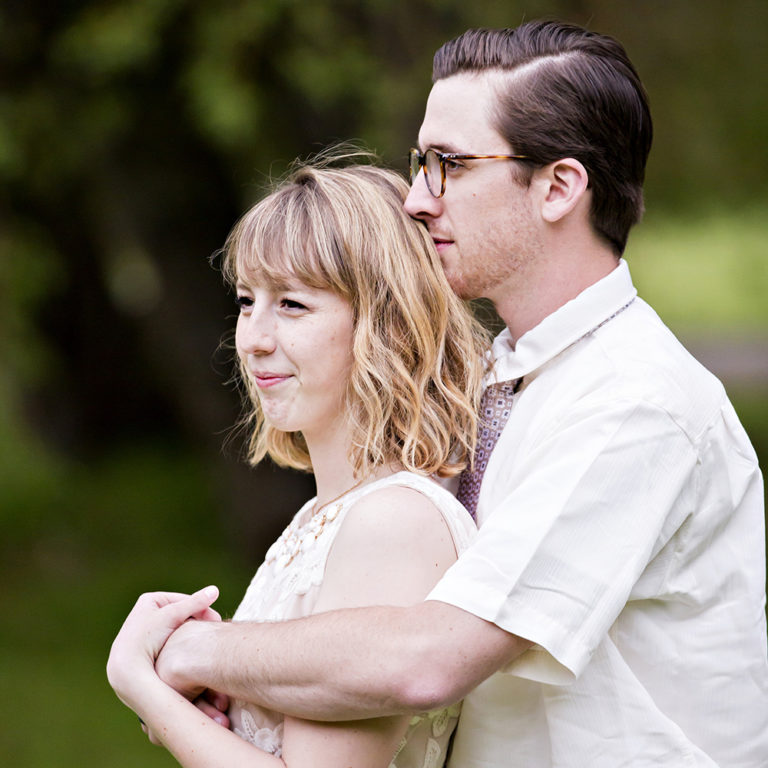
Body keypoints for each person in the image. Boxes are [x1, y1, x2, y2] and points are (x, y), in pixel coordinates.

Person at [152, 20, 768, 767]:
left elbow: (430, 660)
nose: (415, 199)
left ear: (558, 186)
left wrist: (195, 654)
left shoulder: (633, 401)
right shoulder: (497, 387)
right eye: (420, 164)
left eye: (449, 164)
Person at [106, 159, 492, 767]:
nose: (254, 337)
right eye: (245, 300)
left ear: (383, 324)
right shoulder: (323, 514)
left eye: (291, 304)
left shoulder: (393, 521)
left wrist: (144, 688)